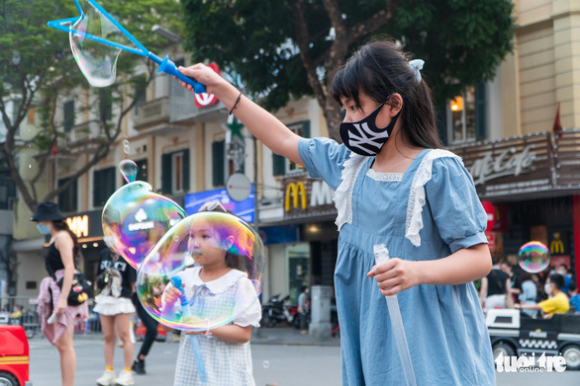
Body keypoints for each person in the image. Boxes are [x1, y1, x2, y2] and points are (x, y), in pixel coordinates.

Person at [177, 40, 495, 385]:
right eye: (344, 108)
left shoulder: (438, 169)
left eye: (355, 107)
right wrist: (222, 88)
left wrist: (417, 271)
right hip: (373, 349)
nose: (347, 119)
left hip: (432, 346)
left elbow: (479, 259)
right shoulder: (349, 166)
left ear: (393, 105)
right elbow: (282, 139)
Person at [162, 202, 261, 386]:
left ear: (228, 242)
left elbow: (244, 334)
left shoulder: (238, 283)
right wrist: (168, 305)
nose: (195, 242)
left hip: (226, 375)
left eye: (205, 236)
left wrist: (207, 327)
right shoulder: (183, 280)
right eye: (191, 236)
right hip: (190, 374)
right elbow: (167, 327)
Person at [33, 201, 89, 386]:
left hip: (64, 289)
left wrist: (63, 299)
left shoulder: (63, 237)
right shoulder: (57, 237)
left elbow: (69, 267)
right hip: (59, 288)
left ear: (48, 220)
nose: (38, 225)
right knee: (63, 345)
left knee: (65, 345)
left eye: (39, 221)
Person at [94, 247, 137, 386]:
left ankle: (127, 372)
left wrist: (133, 301)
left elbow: (132, 282)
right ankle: (109, 371)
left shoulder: (128, 253)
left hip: (122, 298)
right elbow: (99, 275)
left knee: (125, 335)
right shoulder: (104, 253)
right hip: (105, 297)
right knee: (108, 336)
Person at [131, 290, 159, 375]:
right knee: (152, 330)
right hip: (143, 304)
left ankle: (138, 360)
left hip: (156, 304)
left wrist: (162, 288)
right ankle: (140, 360)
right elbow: (136, 288)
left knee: (152, 333)